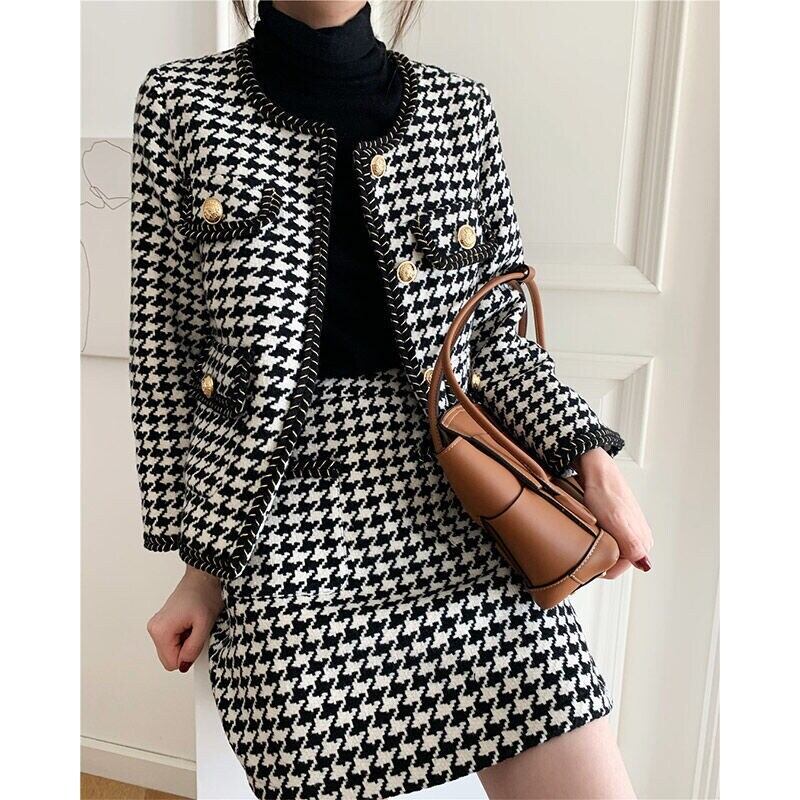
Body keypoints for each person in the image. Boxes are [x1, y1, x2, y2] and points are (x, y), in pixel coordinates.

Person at [130, 2, 653, 797]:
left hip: (460, 504)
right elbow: (166, 350)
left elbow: (496, 340)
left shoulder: (460, 110)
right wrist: (202, 565)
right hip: (281, 527)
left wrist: (593, 463)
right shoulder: (179, 103)